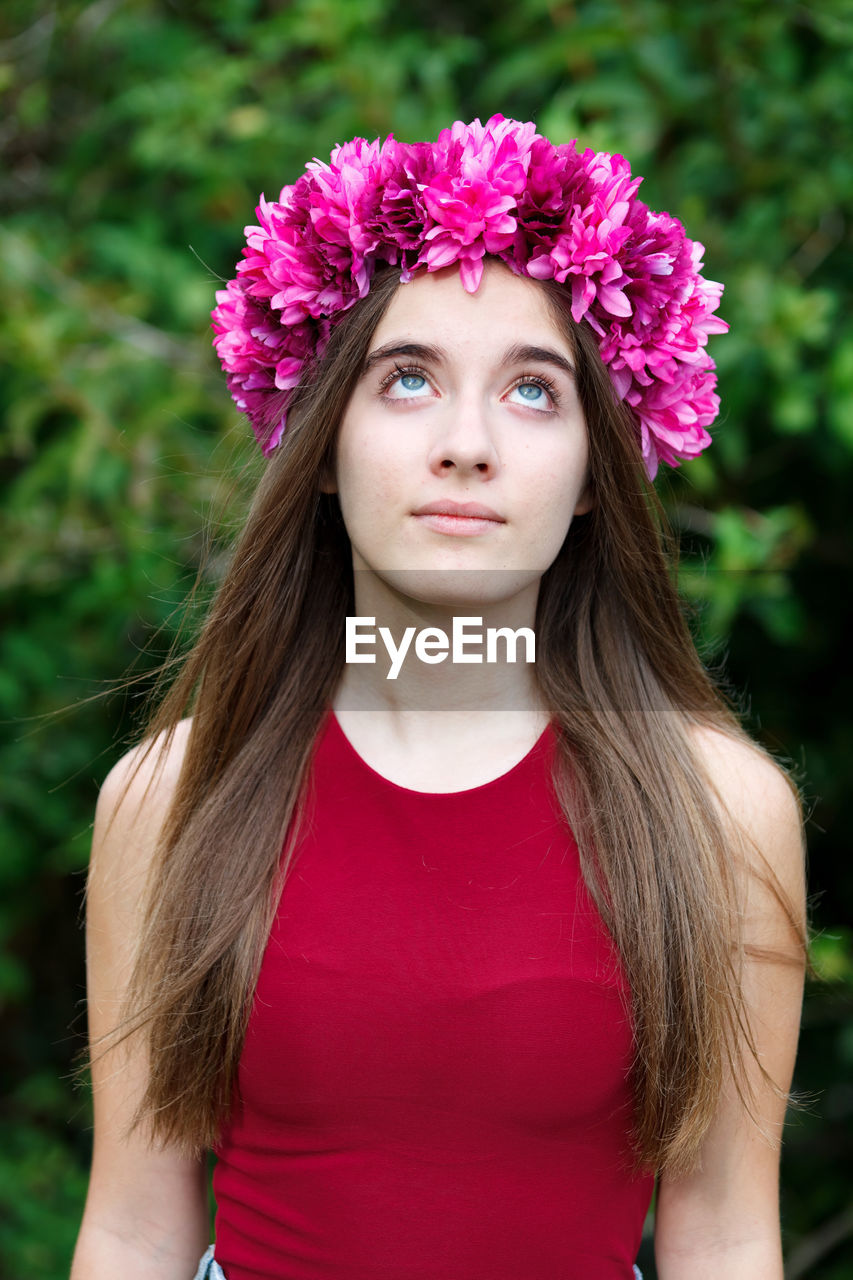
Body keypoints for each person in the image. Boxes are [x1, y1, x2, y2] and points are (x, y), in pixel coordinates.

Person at [71, 116, 808, 1280]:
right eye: (406, 379)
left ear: (589, 474)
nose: (466, 444)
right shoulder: (170, 797)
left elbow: (724, 1237)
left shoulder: (718, 810)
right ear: (319, 442)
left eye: (532, 391)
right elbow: (132, 1226)